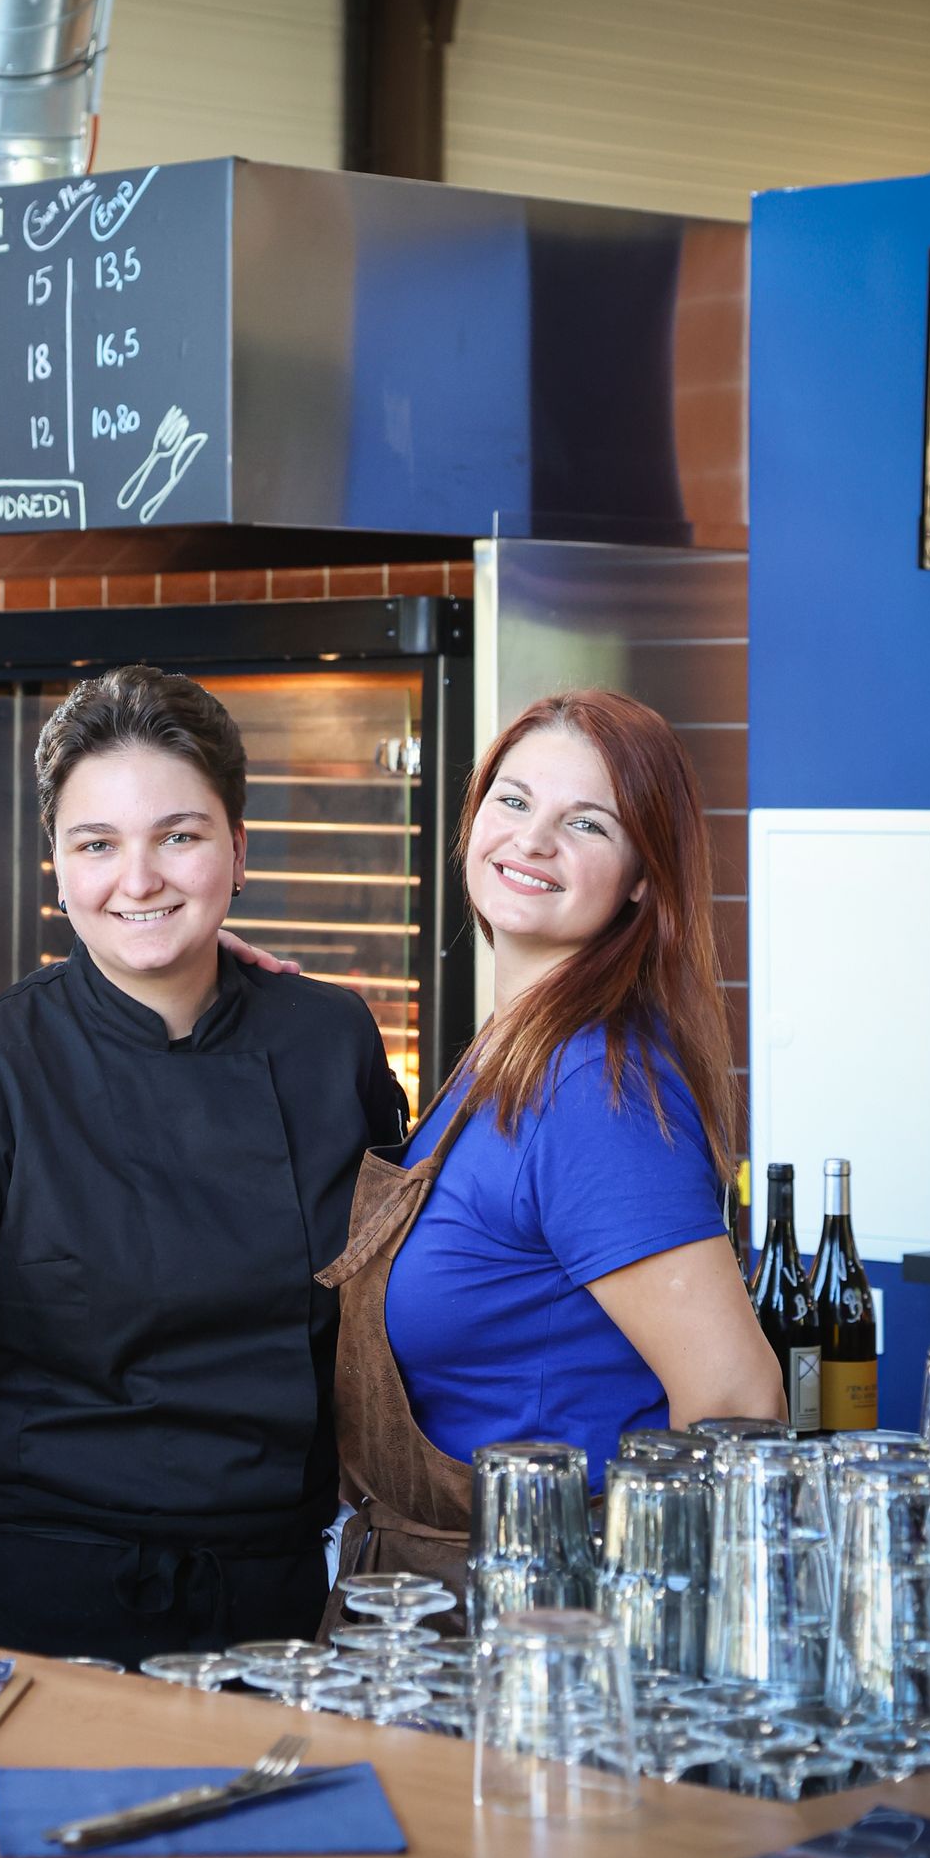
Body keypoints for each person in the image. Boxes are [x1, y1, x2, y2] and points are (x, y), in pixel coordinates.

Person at [0, 665, 408, 1665]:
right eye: (96, 844)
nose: (137, 879)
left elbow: (386, 1304)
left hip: (273, 1607)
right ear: (56, 867)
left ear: (237, 850)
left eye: (178, 836)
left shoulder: (331, 1040)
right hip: (28, 1596)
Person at [321, 688, 782, 1610]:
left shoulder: (592, 1086)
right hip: (441, 1598)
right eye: (515, 800)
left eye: (587, 823)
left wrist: (631, 1647)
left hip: (543, 1620)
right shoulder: (509, 1048)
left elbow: (736, 1399)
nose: (532, 841)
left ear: (642, 877)